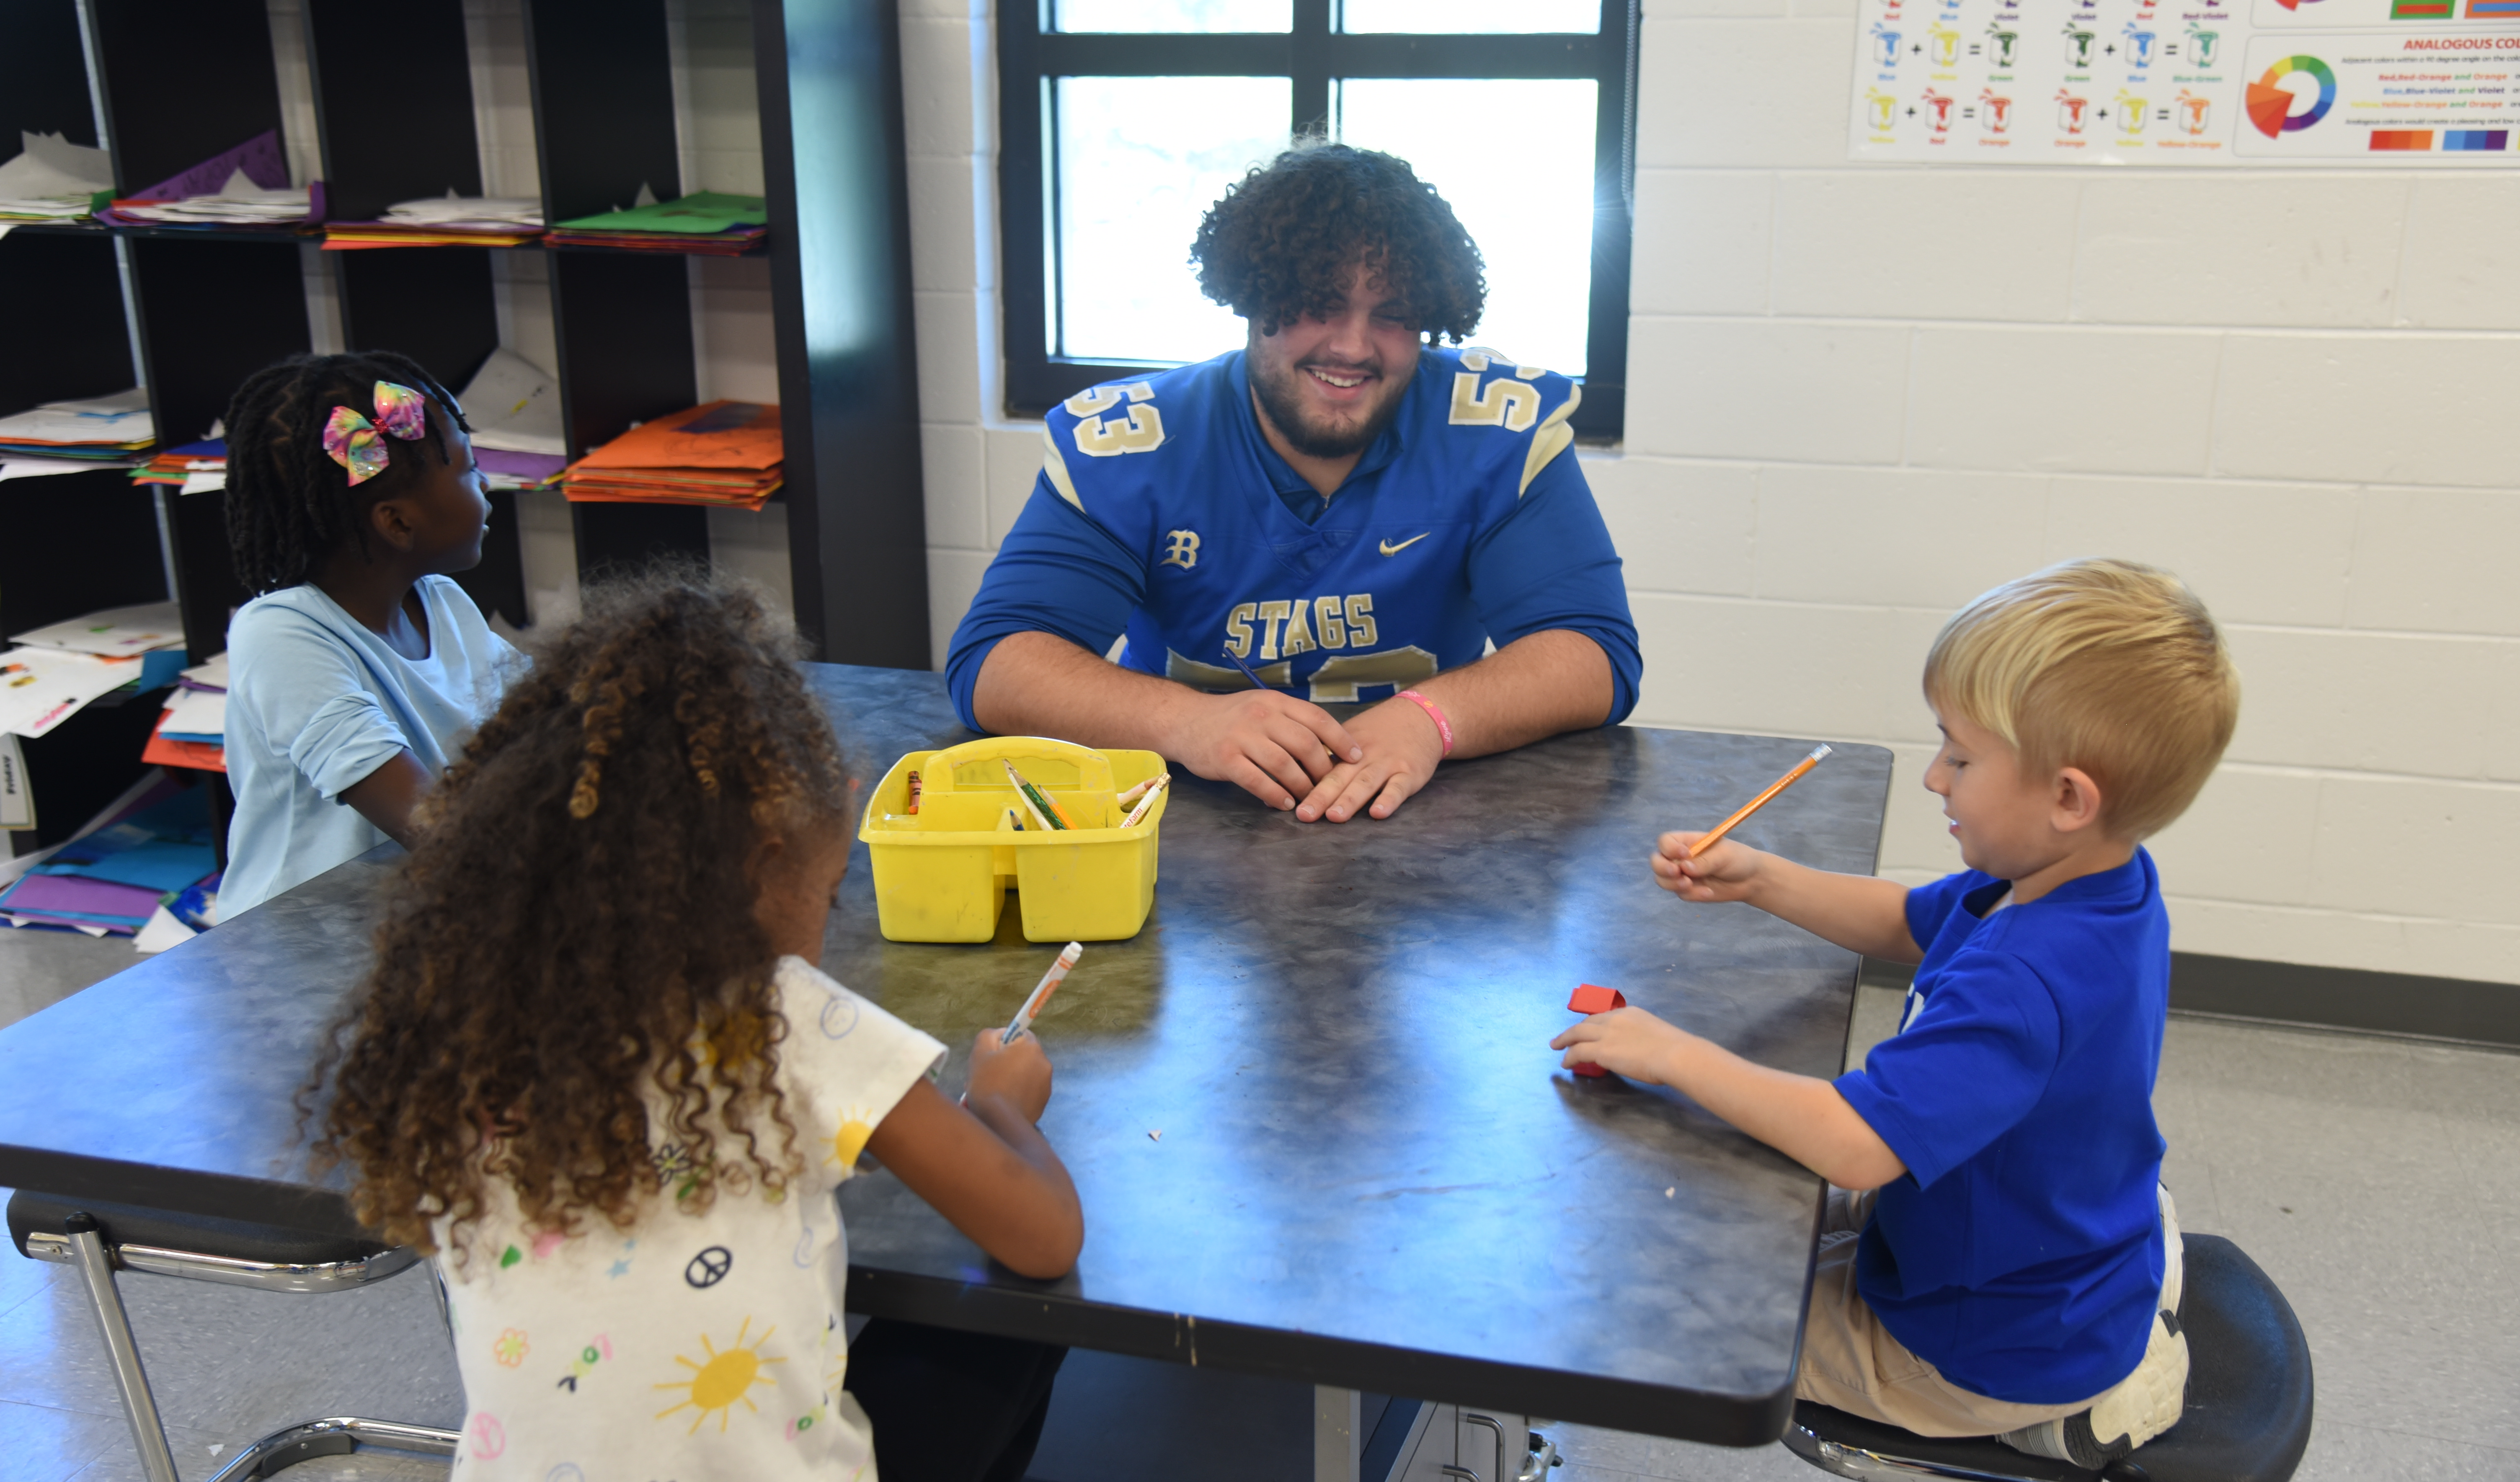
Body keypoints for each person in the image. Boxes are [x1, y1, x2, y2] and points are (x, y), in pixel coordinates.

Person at [306, 573, 1082, 1482]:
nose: (821, 937)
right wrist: (1002, 1106)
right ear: (762, 863)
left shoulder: (463, 1019)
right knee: (1015, 1321)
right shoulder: (789, 1019)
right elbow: (1044, 1237)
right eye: (827, 895)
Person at [1551, 559, 2241, 1469]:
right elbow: (1912, 920)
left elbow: (1853, 1141)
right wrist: (1761, 877)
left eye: (1959, 755)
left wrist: (1670, 1051)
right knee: (1742, 1200)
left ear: (2067, 797)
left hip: (1972, 1343)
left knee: (1680, 1309)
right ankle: (2104, 1319)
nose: (1932, 776)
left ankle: (2043, 1412)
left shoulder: (2026, 980)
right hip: (2010, 1246)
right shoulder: (2086, 881)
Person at [948, 143, 1640, 824]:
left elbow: (1594, 654)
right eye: (1320, 303)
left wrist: (1432, 719)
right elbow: (995, 662)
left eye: (1392, 314)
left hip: (1425, 825)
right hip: (1180, 828)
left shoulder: (1496, 430)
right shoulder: (1135, 442)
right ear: (1253, 295)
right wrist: (1189, 721)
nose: (1351, 346)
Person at [217, 351, 519, 916]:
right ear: (397, 522)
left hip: (419, 922)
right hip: (297, 959)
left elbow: (551, 718)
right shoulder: (280, 635)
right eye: (468, 469)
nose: (487, 487)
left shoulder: (445, 604)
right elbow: (430, 824)